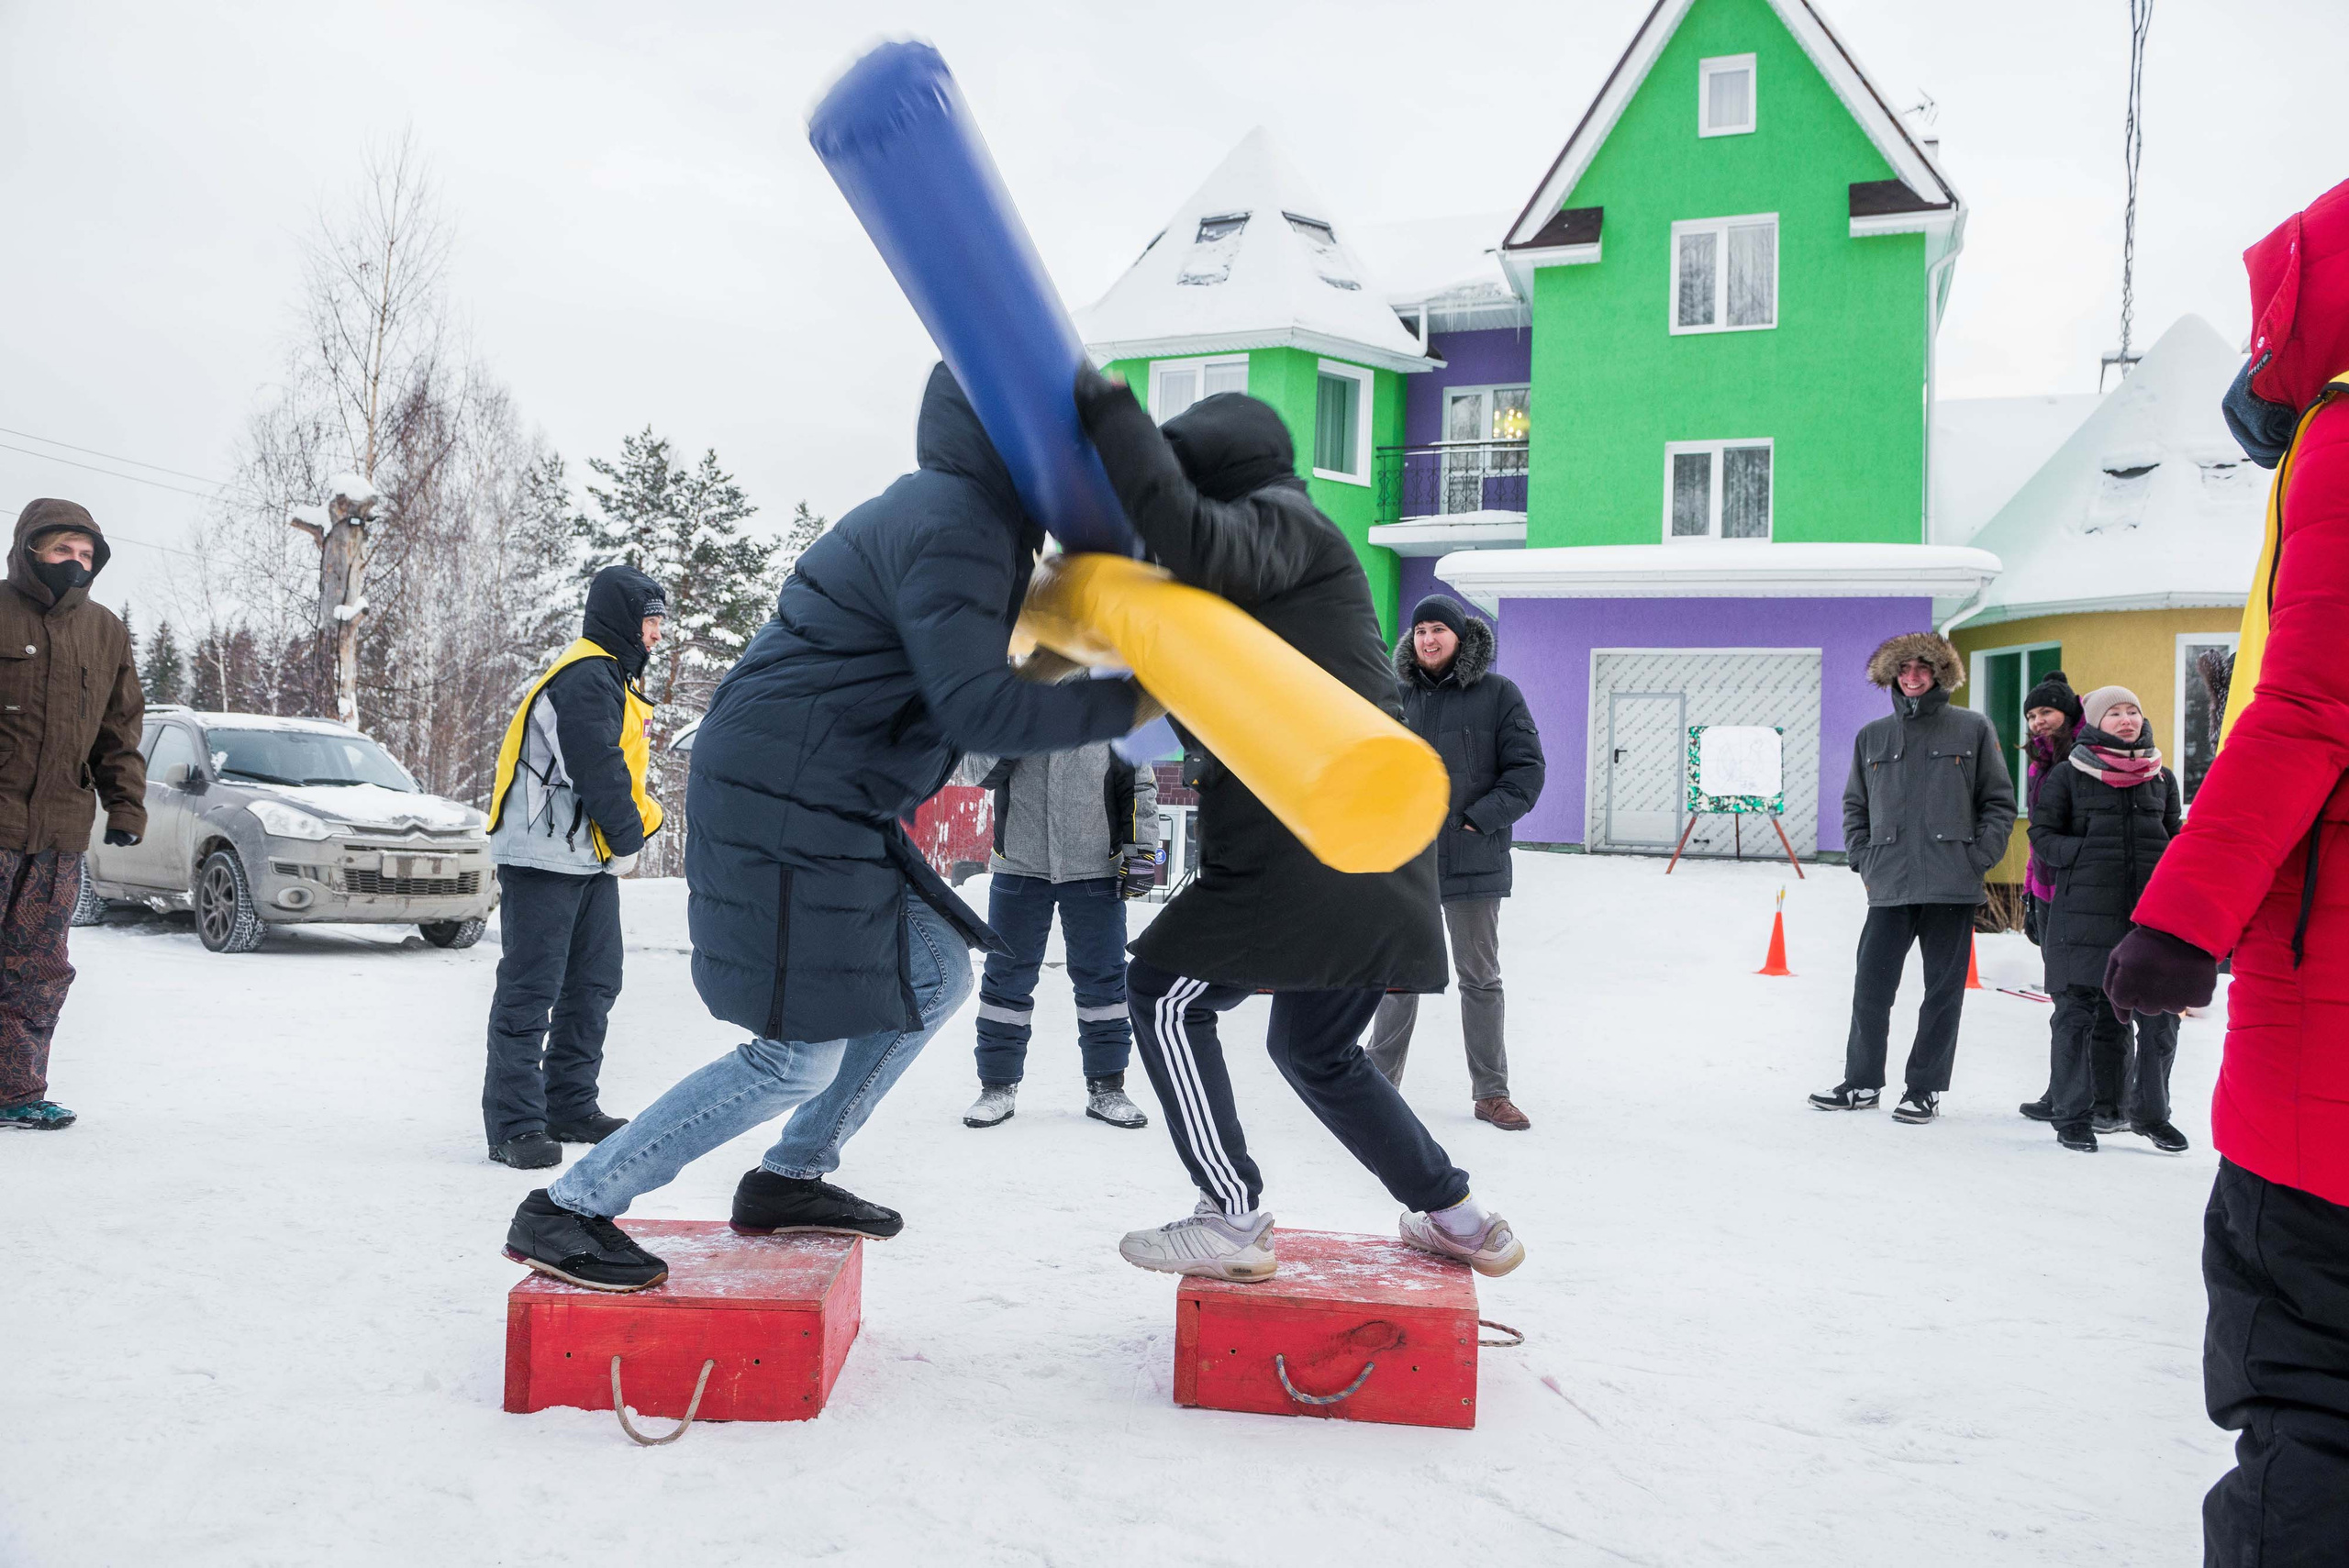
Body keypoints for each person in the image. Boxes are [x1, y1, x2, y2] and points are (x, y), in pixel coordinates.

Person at [500, 365, 1151, 1291]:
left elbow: (989, 666)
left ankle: (790, 1175)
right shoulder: (954, 522)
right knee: (794, 1052)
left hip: (831, 791)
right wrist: (1137, 696)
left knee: (933, 971)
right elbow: (979, 709)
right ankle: (569, 1206)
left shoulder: (981, 525)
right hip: (784, 792)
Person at [1072, 368, 1525, 1283]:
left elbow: (1193, 538)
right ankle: (1461, 1216)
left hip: (1311, 839)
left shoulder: (1287, 525)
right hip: (1367, 842)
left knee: (1162, 990)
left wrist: (1113, 418)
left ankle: (1230, 1212)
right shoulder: (1270, 587)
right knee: (1315, 1048)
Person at [2105, 179, 2349, 1563]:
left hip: (2325, 1056)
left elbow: (2311, 703)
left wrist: (2181, 917)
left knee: (2311, 1405)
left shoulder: (2346, 437)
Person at [478, 563, 669, 1170]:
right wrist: (630, 836)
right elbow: (597, 767)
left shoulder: (610, 678)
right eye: (650, 621)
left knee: (595, 982)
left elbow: (621, 773)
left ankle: (568, 1104)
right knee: (532, 988)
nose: (657, 635)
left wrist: (630, 830)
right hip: (541, 854)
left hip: (583, 855)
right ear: (622, 619)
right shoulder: (585, 676)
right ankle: (514, 1125)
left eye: (661, 622)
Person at [1810, 633, 2015, 1123]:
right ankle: (1861, 1083)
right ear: (1892, 677)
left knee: (1941, 994)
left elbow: (1999, 802)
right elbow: (1854, 805)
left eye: (1923, 667)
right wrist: (1864, 858)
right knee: (1871, 988)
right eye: (1904, 669)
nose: (1914, 676)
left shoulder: (1972, 729)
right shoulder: (1873, 736)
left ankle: (1924, 1089)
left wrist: (1977, 857)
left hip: (1952, 884)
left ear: (1940, 673)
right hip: (1890, 886)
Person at [1364, 594, 1545, 1131]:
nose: (1428, 639)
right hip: (1407, 860)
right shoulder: (1395, 696)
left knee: (1480, 978)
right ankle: (1377, 1082)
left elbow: (1527, 773)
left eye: (1438, 629)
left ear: (1460, 637)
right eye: (1420, 631)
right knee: (1398, 977)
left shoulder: (1498, 694)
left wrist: (1477, 820)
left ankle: (1491, 1093)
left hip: (1473, 860)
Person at [0, 501, 144, 1132]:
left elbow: (118, 730)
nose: (76, 564)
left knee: (39, 967)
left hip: (58, 830)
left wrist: (125, 804)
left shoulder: (105, 631)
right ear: (31, 549)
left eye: (87, 556)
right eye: (64, 551)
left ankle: (16, 1091)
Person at [957, 737, 1159, 1131]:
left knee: (1104, 983)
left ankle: (1107, 1088)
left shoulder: (1114, 693)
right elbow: (977, 772)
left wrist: (1142, 850)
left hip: (1096, 870)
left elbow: (1139, 783)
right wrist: (1018, 719)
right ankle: (997, 1087)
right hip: (1018, 866)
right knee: (1005, 983)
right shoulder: (1011, 695)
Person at [2026, 686, 2185, 1154]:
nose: (2126, 719)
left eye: (2132, 711)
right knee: (2076, 1017)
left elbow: (2174, 833)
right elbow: (2042, 835)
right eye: (2114, 713)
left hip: (2148, 920)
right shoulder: (2068, 776)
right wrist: (2082, 854)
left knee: (2159, 1021)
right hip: (2083, 916)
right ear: (2096, 722)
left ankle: (2152, 1116)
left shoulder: (2161, 778)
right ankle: (2072, 1116)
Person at [2013, 673, 2130, 1129]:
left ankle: (2109, 1101)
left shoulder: (2093, 756)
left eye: (2046, 712)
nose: (2039, 722)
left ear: (2069, 712)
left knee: (2103, 1000)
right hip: (2051, 895)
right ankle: (2065, 1090)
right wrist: (2029, 892)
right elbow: (2039, 835)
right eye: (2032, 716)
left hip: (2092, 894)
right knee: (2067, 1001)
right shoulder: (2038, 764)